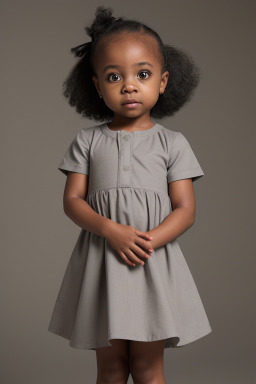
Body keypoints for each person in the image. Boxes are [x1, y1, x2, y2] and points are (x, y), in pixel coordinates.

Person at [48, 5, 212, 384]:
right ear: (96, 86)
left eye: (142, 74)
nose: (129, 85)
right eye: (113, 76)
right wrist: (112, 231)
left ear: (164, 81)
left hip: (149, 263)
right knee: (110, 368)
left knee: (148, 367)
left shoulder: (173, 143)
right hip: (102, 264)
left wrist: (146, 242)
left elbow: (186, 210)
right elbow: (72, 201)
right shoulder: (87, 141)